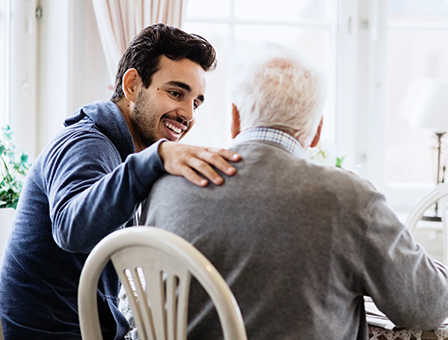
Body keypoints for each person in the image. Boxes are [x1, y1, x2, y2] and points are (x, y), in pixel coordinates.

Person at [135, 43, 448, 340]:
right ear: (317, 132)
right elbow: (427, 308)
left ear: (235, 118)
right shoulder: (349, 197)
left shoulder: (164, 186)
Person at [0, 23, 241, 340]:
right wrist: (157, 157)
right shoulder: (86, 143)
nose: (187, 114)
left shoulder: (117, 147)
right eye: (175, 93)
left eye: (195, 101)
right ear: (132, 85)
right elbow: (70, 228)